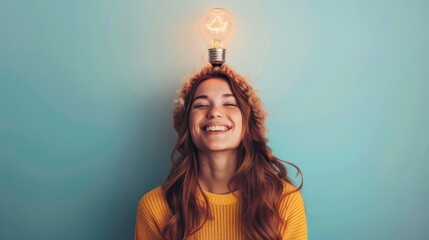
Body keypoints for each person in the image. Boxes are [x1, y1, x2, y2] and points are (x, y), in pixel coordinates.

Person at [135, 64, 307, 240]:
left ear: (248, 123)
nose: (215, 112)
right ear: (186, 124)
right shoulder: (155, 206)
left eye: (230, 103)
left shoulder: (284, 202)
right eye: (201, 105)